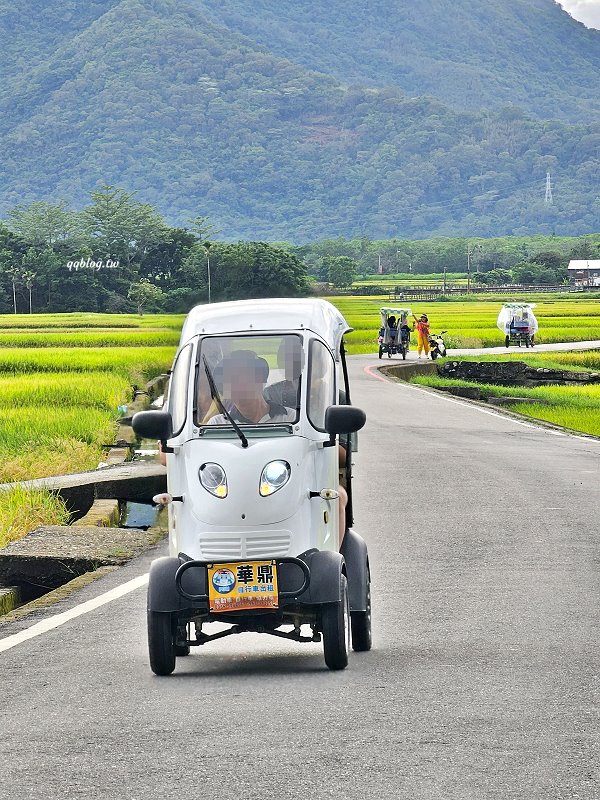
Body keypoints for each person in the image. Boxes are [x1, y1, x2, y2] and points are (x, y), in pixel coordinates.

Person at [207, 350, 295, 425]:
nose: (233, 386)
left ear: (259, 380)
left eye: (236, 378)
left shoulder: (290, 418)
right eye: (227, 381)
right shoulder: (218, 424)